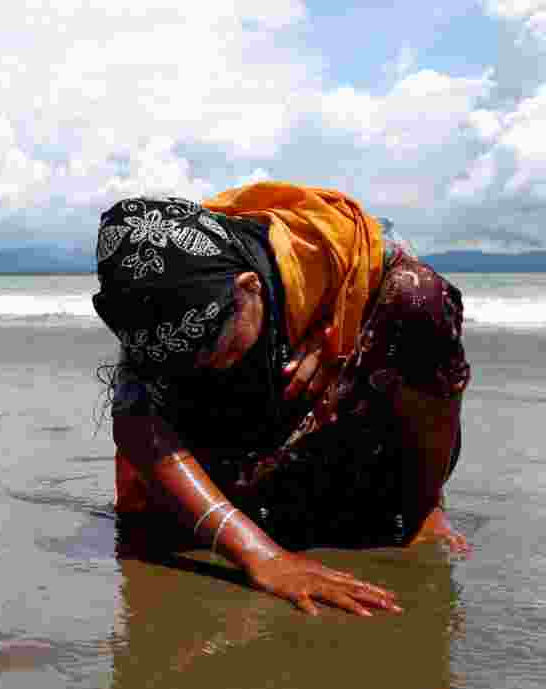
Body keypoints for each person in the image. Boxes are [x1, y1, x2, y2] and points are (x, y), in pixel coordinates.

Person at [93, 184, 471, 617]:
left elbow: (425, 349)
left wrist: (338, 329)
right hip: (237, 458)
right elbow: (136, 422)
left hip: (337, 434)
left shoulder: (342, 251)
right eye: (182, 363)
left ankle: (421, 505)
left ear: (248, 287)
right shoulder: (154, 301)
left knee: (418, 296)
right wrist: (262, 555)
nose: (207, 369)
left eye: (220, 350)